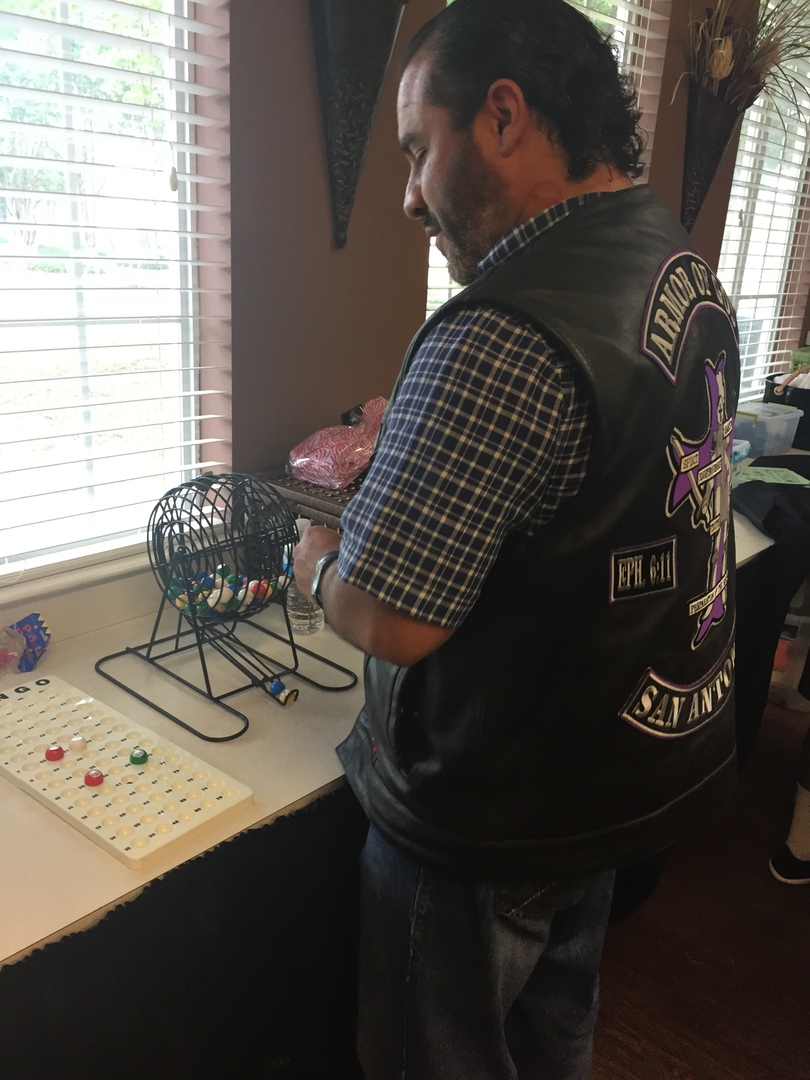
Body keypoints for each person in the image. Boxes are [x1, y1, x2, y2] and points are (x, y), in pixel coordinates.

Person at [292, 0, 741, 1075]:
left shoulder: (500, 329)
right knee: (553, 1040)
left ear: (503, 116)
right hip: (608, 773)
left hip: (488, 820)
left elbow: (392, 621)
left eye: (417, 149)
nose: (408, 195)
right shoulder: (677, 264)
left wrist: (314, 565)